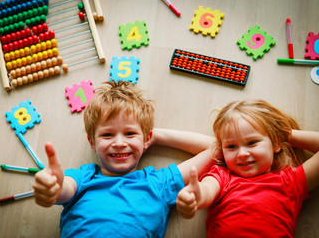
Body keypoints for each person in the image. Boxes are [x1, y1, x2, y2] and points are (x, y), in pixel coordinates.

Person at [33, 80, 216, 237]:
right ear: (92, 142)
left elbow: (217, 148)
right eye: (107, 135)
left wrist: (153, 136)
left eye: (129, 133)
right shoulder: (84, 177)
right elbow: (64, 189)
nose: (119, 143)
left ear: (146, 139)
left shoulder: (159, 184)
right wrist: (54, 188)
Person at [176, 99, 319, 238]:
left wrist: (282, 134)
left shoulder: (291, 181)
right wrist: (196, 196)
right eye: (231, 146)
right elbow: (207, 189)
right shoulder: (222, 177)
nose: (242, 154)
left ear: (276, 143)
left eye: (252, 142)